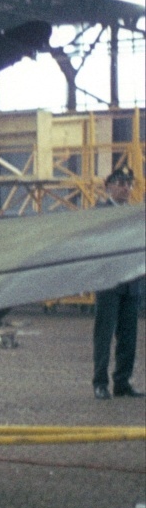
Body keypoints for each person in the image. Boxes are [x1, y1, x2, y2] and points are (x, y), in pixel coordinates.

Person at [92, 165, 142, 399]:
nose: (125, 188)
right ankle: (100, 383)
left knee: (129, 336)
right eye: (121, 183)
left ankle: (122, 382)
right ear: (109, 186)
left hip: (131, 282)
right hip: (108, 282)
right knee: (104, 334)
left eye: (129, 184)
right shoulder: (100, 214)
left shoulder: (135, 216)